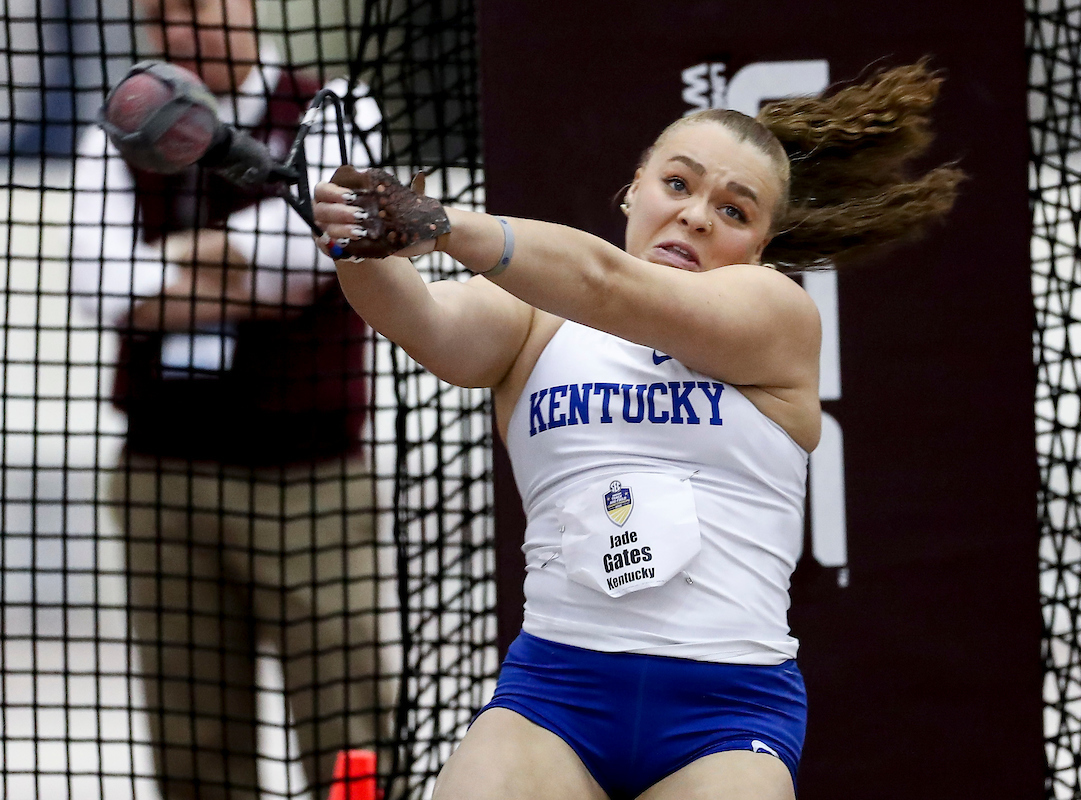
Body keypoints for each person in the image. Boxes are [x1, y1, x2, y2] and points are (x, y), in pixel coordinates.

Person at [313, 61, 963, 800]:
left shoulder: (776, 316)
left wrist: (439, 224)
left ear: (758, 247)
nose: (695, 216)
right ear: (634, 186)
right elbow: (421, 319)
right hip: (553, 698)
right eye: (678, 185)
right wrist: (350, 235)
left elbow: (607, 284)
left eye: (735, 211)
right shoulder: (534, 321)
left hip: (725, 714)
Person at [69, 0, 398, 797]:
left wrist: (171, 262)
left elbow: (314, 256)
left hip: (306, 478)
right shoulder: (120, 127)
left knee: (346, 725)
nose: (177, 32)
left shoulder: (335, 107)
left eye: (195, 6)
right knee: (192, 738)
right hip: (161, 476)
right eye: (158, 14)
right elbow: (99, 285)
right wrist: (250, 272)